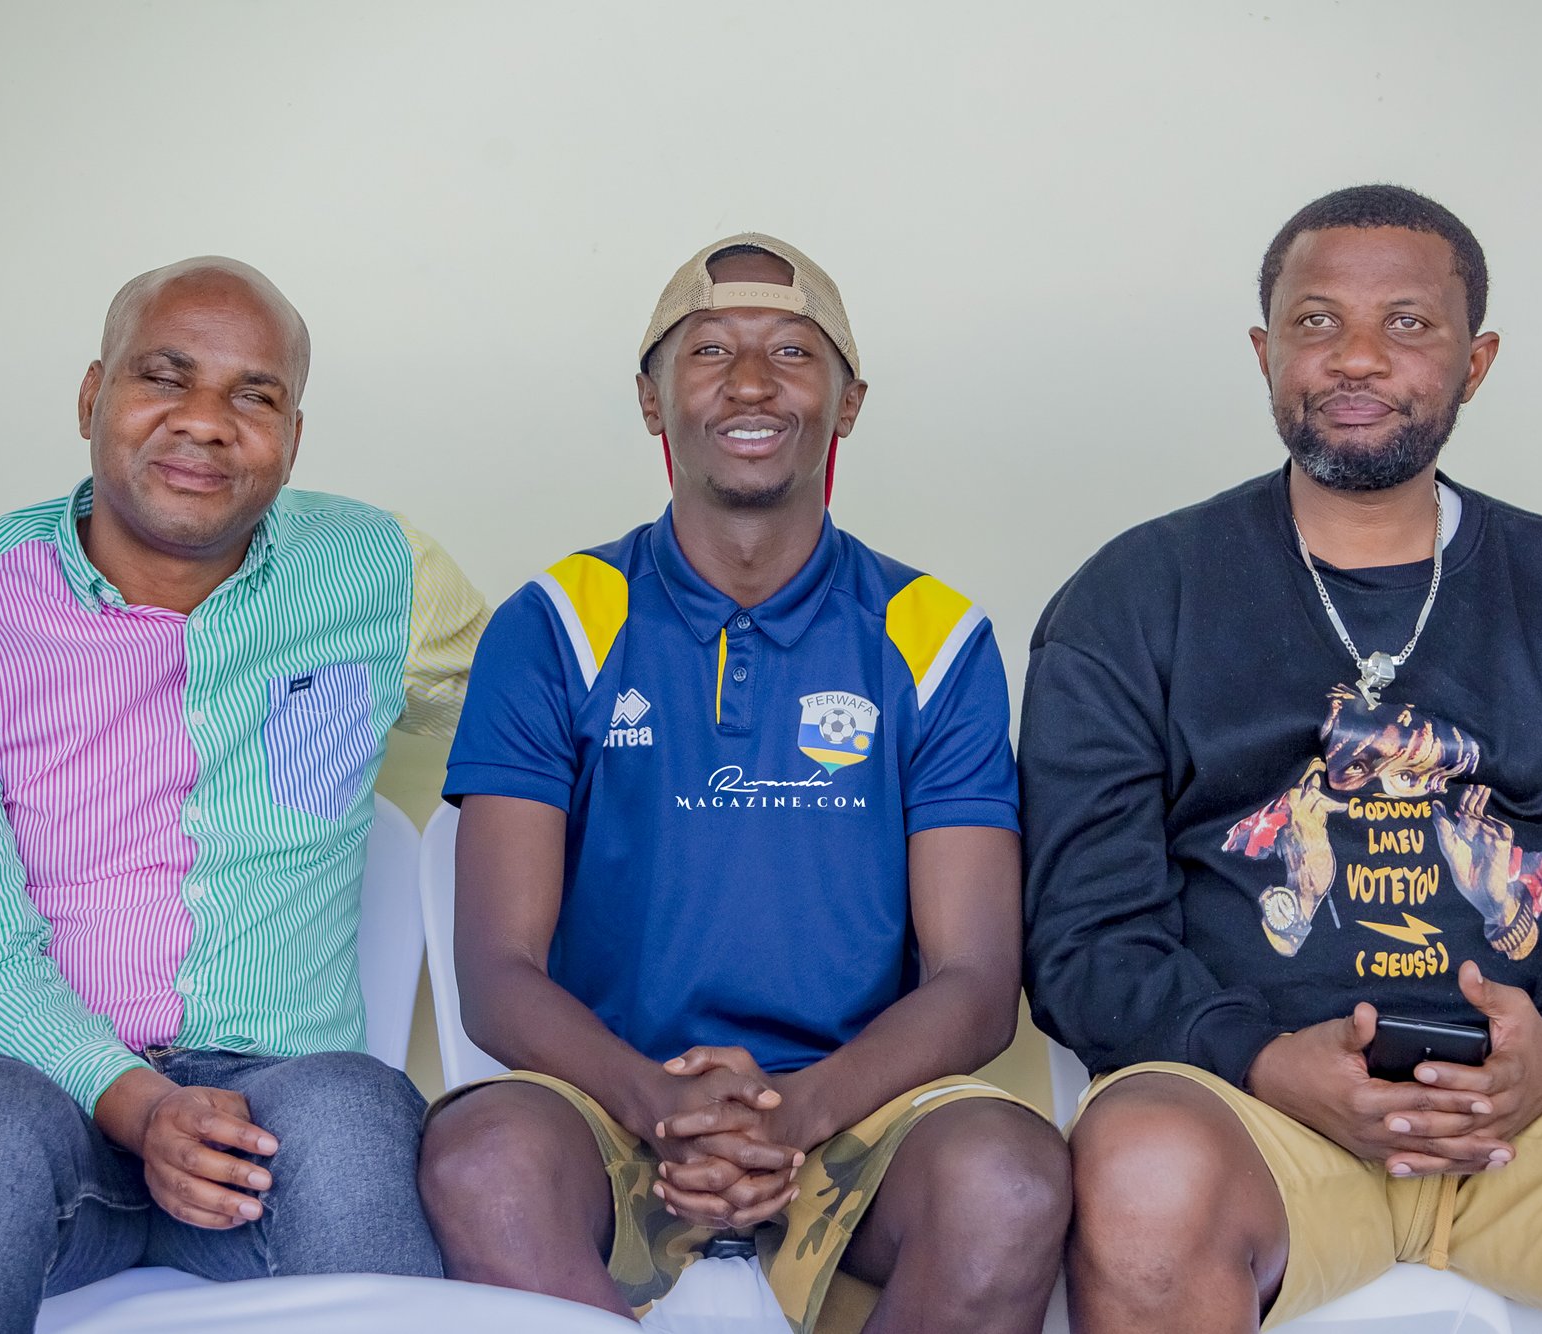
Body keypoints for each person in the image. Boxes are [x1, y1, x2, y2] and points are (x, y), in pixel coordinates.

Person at [1021, 184, 1542, 1331]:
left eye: (1405, 322)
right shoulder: (1133, 597)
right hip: (1255, 1124)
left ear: (1474, 361)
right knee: (1143, 1169)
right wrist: (1260, 1059)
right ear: (1262, 351)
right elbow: (1082, 932)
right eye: (1314, 321)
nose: (1356, 356)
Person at [419, 234, 1070, 1333]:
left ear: (848, 403)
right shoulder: (558, 621)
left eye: (794, 352)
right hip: (608, 1101)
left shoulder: (934, 635)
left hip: (861, 1109)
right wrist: (660, 1102)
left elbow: (974, 980)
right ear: (651, 398)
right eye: (710, 349)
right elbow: (495, 973)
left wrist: (796, 1112)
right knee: (482, 1158)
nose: (753, 382)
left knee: (1007, 1179)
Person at [0, 257, 487, 1334]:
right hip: (28, 1088)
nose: (206, 422)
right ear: (92, 396)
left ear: (293, 433)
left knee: (350, 1104)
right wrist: (142, 1106)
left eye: (254, 395)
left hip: (277, 1096)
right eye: (165, 377)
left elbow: (544, 717)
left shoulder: (382, 573)